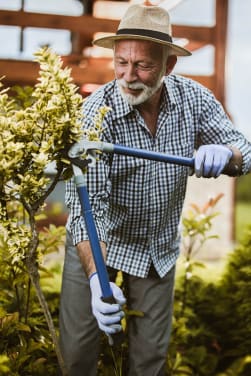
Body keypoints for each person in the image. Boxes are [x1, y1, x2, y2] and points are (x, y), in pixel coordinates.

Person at [59, 4, 251, 376]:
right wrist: (98, 280)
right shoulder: (96, 114)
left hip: (155, 245)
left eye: (143, 66)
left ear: (168, 66)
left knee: (149, 362)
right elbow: (86, 209)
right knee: (78, 355)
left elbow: (246, 151)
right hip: (99, 243)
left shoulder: (195, 101)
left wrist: (227, 153)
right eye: (121, 63)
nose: (129, 76)